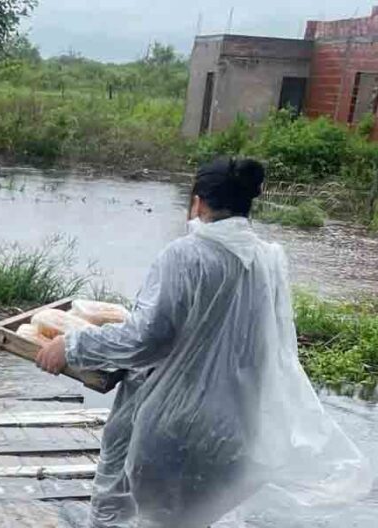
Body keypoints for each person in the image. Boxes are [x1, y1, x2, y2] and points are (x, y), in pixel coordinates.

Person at [36, 158, 372, 528]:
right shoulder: (268, 259)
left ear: (198, 203)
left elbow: (146, 339)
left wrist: (71, 345)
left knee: (117, 515)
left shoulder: (185, 255)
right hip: (234, 430)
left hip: (171, 424)